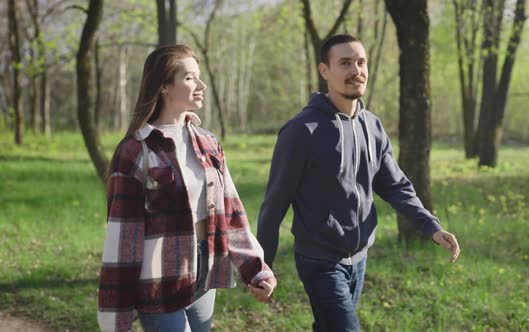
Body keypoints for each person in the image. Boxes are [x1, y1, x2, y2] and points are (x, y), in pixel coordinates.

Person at [256, 34, 460, 332]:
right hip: (319, 259)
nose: (357, 70)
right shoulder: (302, 130)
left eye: (361, 62)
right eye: (345, 63)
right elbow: (275, 202)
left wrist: (431, 226)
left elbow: (395, 186)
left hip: (360, 259)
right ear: (324, 70)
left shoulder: (372, 126)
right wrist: (262, 267)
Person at [97, 44, 276, 332]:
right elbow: (123, 239)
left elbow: (232, 214)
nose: (201, 85)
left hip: (206, 269)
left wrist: (256, 270)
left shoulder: (208, 143)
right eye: (190, 77)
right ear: (165, 86)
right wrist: (115, 318)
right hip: (158, 280)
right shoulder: (136, 151)